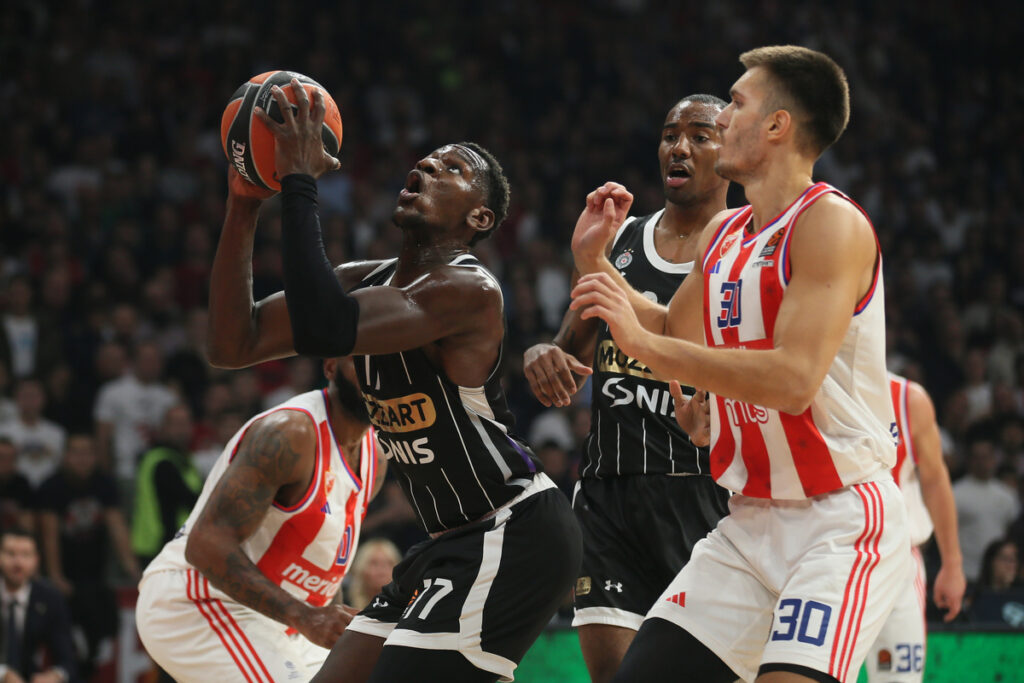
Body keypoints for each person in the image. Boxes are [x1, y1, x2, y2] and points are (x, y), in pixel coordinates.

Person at [206, 79, 581, 683]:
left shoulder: (469, 290)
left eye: (450, 169)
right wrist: (247, 200)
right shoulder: (369, 280)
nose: (426, 166)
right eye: (423, 163)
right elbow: (232, 343)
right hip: (443, 544)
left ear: (479, 216)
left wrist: (300, 182)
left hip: (514, 527)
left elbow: (328, 325)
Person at [570, 46, 909, 683]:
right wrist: (598, 266)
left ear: (778, 126)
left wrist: (649, 350)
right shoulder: (725, 234)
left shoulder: (830, 224)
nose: (722, 118)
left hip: (838, 521)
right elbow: (674, 328)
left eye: (737, 103)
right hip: (748, 523)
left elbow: (793, 379)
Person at [523, 95, 732, 681]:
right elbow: (573, 349)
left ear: (733, 150)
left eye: (700, 134)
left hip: (706, 495)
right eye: (670, 134)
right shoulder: (616, 240)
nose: (680, 146)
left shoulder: (745, 246)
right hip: (608, 495)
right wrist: (544, 354)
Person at [136, 357, 384, 682]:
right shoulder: (291, 432)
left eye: (387, 364)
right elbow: (204, 545)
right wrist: (305, 617)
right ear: (331, 366)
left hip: (282, 619)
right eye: (362, 363)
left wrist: (328, 623)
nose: (377, 377)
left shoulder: (375, 457)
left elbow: (324, 571)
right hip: (201, 600)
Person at [863, 375, 966, 682]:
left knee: (899, 678)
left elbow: (935, 479)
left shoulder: (909, 399)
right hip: (825, 553)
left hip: (897, 558)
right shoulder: (804, 384)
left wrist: (952, 562)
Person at [37, 434, 139, 679]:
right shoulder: (53, 486)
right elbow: (49, 534)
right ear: (66, 456)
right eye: (77, 453)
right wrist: (55, 576)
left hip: (95, 574)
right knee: (66, 641)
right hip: (65, 577)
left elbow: (117, 527)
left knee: (101, 635)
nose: (83, 459)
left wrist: (135, 571)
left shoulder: (104, 483)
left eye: (88, 453)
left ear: (96, 456)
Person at [0, 529, 77, 683]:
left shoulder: (50, 599)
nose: (18, 563)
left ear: (36, 560)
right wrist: (3, 674)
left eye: (26, 555)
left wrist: (56, 675)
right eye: (10, 554)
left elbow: (68, 658)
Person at [130, 403, 202, 567]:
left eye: (185, 424)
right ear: (163, 428)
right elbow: (192, 501)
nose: (181, 430)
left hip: (170, 545)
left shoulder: (181, 459)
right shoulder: (162, 461)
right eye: (176, 424)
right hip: (162, 546)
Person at [953, 436, 1019, 581]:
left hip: (998, 576)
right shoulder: (955, 493)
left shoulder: (1007, 495)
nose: (981, 462)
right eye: (976, 457)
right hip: (965, 572)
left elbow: (1012, 532)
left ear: (994, 459)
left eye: (986, 457)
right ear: (969, 460)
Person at [345, 539, 402, 611]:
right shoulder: (345, 606)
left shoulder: (407, 609)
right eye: (374, 563)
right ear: (361, 569)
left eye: (389, 563)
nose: (382, 570)